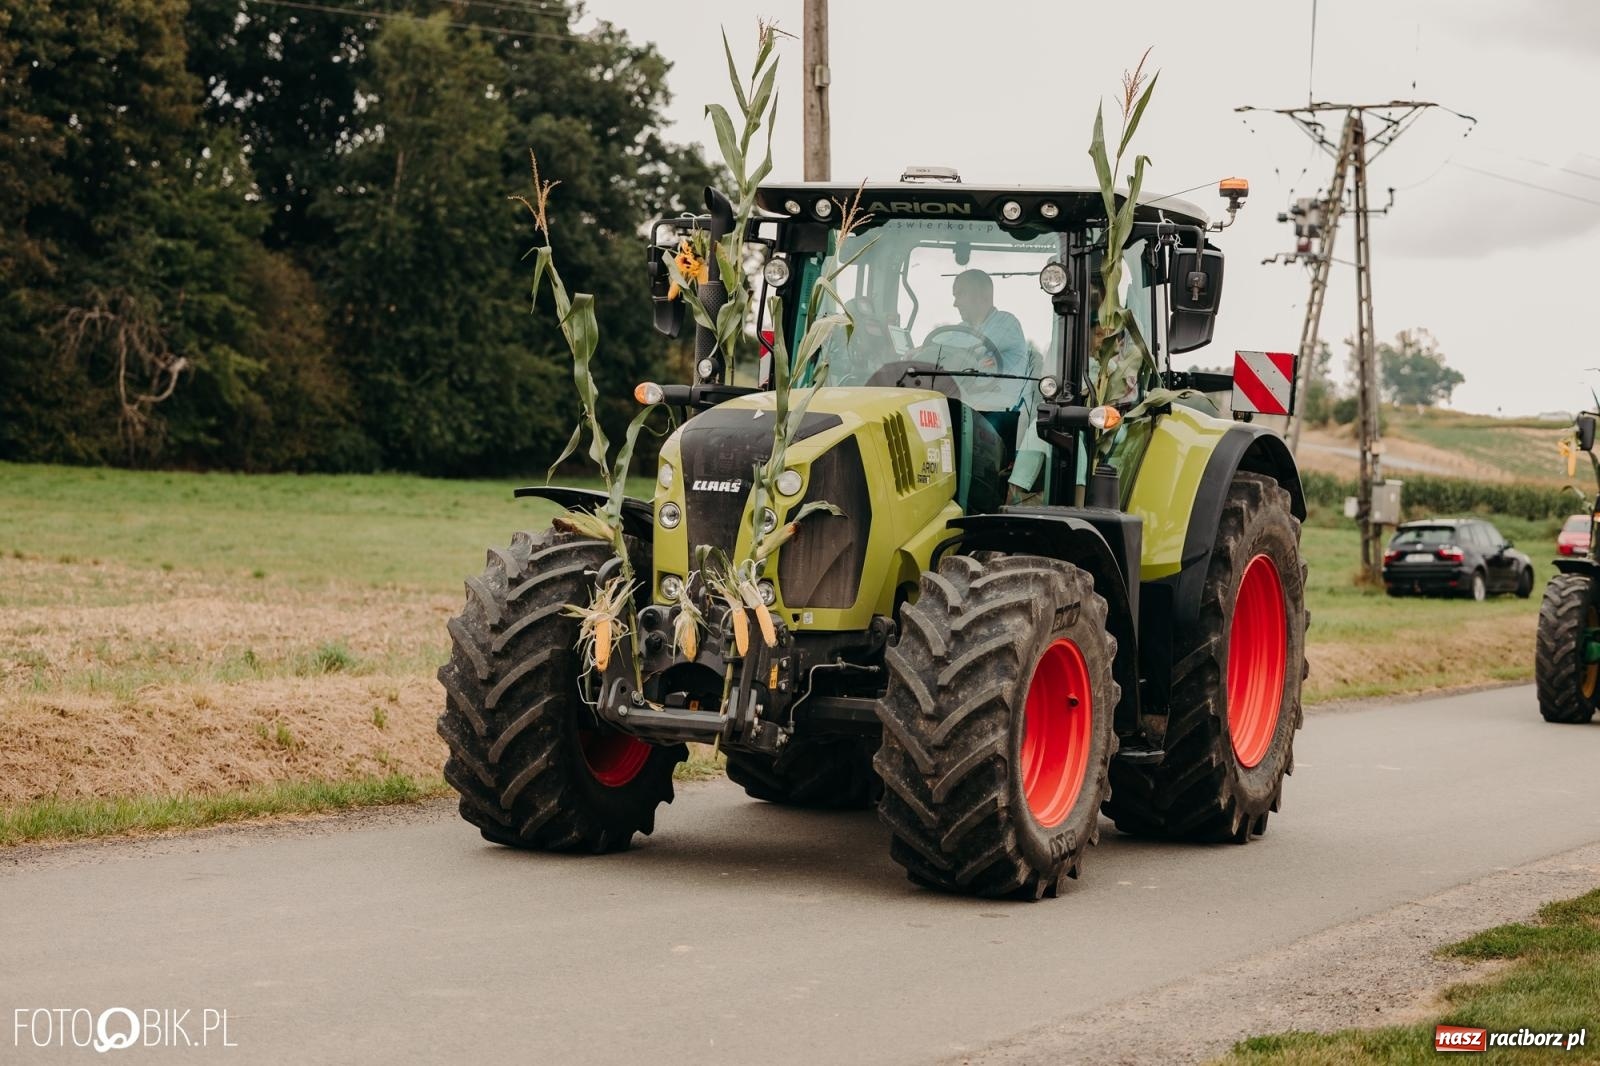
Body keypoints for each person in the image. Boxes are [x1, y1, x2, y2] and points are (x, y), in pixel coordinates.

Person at [951, 269, 1027, 377]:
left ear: (983, 295)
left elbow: (970, 351)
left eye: (961, 295)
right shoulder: (960, 330)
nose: (955, 303)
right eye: (955, 297)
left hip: (1004, 394)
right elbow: (941, 352)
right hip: (963, 393)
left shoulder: (1006, 323)